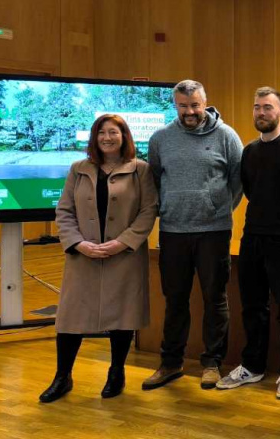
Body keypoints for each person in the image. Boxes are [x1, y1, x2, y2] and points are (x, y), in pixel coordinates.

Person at [42, 114, 158, 402]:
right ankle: (62, 377)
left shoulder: (140, 170)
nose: (107, 138)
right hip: (83, 256)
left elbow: (148, 211)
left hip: (124, 256)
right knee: (71, 318)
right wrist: (77, 243)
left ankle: (116, 372)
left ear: (124, 136)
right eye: (101, 133)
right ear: (94, 138)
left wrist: (124, 242)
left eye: (113, 132)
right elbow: (64, 211)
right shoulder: (78, 169)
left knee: (122, 315)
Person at [142, 79, 243, 391]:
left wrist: (217, 207)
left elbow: (238, 180)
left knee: (215, 298)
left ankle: (212, 363)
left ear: (205, 102)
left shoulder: (226, 136)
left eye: (195, 105)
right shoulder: (161, 139)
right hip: (173, 231)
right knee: (175, 300)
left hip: (213, 232)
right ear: (176, 105)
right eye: (184, 106)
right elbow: (155, 178)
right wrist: (170, 208)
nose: (190, 111)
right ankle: (170, 363)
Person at [215, 87, 280, 400]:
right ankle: (252, 366)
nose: (261, 113)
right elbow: (252, 193)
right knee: (253, 307)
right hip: (252, 237)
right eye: (257, 107)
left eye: (268, 107)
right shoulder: (249, 152)